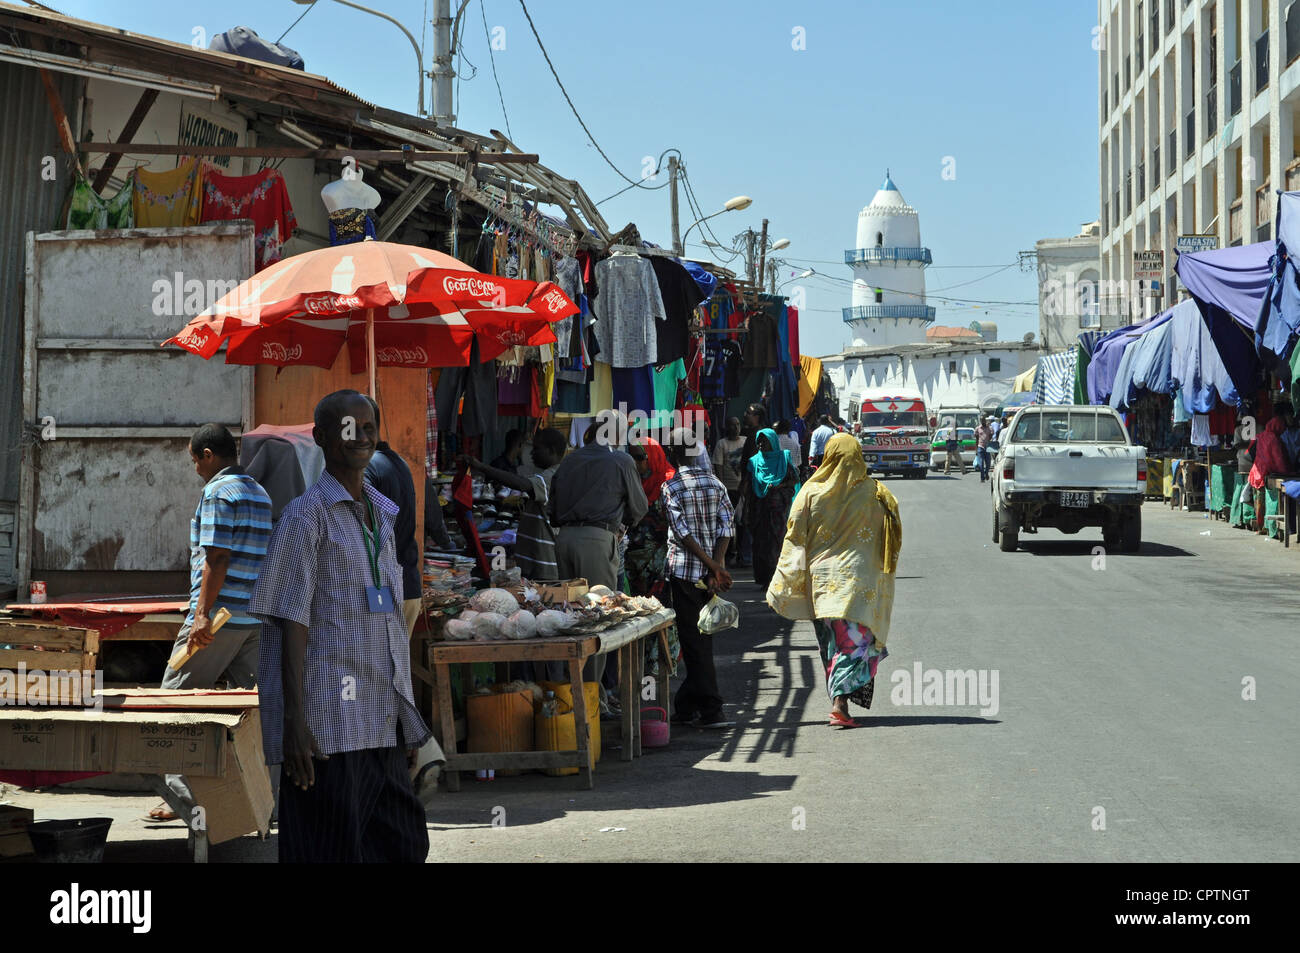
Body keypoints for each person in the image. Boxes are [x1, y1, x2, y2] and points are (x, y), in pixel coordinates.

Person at [249, 390, 430, 863]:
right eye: (348, 428)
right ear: (322, 438)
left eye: (368, 427)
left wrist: (402, 716)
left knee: (403, 844)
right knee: (327, 850)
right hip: (328, 726)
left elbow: (390, 621)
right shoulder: (304, 518)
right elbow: (290, 622)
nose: (360, 436)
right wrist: (294, 724)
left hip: (379, 716)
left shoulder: (382, 517)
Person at [149, 423, 271, 823]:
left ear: (207, 455)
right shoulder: (259, 492)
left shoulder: (218, 492)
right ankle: (262, 803)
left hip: (217, 620)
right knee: (250, 717)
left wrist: (201, 613)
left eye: (194, 460)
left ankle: (194, 808)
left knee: (171, 707)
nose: (195, 469)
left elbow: (217, 559)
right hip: (253, 619)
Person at [766, 432, 902, 729]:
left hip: (822, 586)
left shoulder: (810, 493)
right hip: (858, 586)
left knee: (833, 645)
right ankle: (840, 703)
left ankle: (840, 701)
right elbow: (891, 539)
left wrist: (789, 577)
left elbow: (794, 538)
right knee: (853, 646)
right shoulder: (877, 494)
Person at [661, 429, 735, 729]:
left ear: (674, 454)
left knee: (694, 641)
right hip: (707, 575)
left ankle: (712, 708)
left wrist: (711, 566)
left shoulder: (672, 486)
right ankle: (687, 704)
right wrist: (716, 565)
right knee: (699, 640)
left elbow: (682, 533)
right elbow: (726, 527)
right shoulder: (715, 483)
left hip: (685, 573)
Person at [460, 427, 567, 580]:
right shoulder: (550, 474)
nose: (531, 453)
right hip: (534, 561)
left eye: (536, 449)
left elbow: (524, 485)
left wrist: (481, 467)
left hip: (543, 565)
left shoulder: (553, 476)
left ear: (551, 450)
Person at [363, 399, 421, 636]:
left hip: (382, 589)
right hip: (407, 586)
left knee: (374, 669)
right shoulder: (400, 463)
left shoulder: (367, 468)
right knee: (394, 670)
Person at [625, 437, 680, 676]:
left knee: (659, 610)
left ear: (653, 457)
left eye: (640, 457)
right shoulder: (628, 482)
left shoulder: (669, 483)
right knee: (634, 612)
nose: (636, 463)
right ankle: (637, 665)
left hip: (659, 560)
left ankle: (660, 663)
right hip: (631, 561)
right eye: (632, 457)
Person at [744, 428, 801, 590]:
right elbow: (748, 487)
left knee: (777, 543)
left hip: (778, 512)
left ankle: (777, 578)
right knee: (760, 545)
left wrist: (778, 486)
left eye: (765, 441)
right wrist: (746, 510)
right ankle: (765, 578)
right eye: (759, 441)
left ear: (773, 442)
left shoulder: (784, 458)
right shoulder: (754, 462)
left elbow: (794, 480)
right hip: (758, 511)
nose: (761, 444)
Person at [974, 416, 993, 483]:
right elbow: (976, 439)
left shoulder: (989, 428)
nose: (983, 421)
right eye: (981, 420)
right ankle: (982, 478)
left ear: (985, 420)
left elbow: (991, 436)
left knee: (988, 463)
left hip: (987, 447)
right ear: (980, 421)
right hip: (980, 447)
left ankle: (986, 473)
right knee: (981, 463)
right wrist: (976, 449)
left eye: (983, 420)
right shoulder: (978, 429)